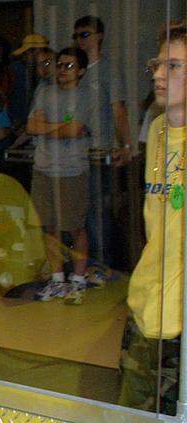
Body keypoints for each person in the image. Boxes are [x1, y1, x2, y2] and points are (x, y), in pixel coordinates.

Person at [122, 22, 187, 413]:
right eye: (157, 65)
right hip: (145, 305)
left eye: (174, 66)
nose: (159, 76)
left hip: (181, 320)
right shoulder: (159, 130)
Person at [26, 46, 97, 305]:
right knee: (49, 227)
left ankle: (78, 280)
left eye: (68, 66)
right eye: (59, 65)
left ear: (80, 71)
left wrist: (49, 128)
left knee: (74, 227)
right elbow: (32, 127)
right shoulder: (44, 91)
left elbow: (74, 131)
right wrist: (59, 127)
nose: (62, 70)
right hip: (43, 169)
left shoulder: (87, 95)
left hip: (72, 170)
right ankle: (58, 280)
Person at [72, 15, 133, 275]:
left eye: (84, 35)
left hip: (100, 155)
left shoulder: (108, 70)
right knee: (80, 219)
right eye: (76, 36)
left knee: (99, 218)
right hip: (77, 156)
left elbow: (118, 110)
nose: (79, 41)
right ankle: (87, 268)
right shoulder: (77, 71)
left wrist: (127, 145)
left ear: (98, 36)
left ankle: (106, 269)